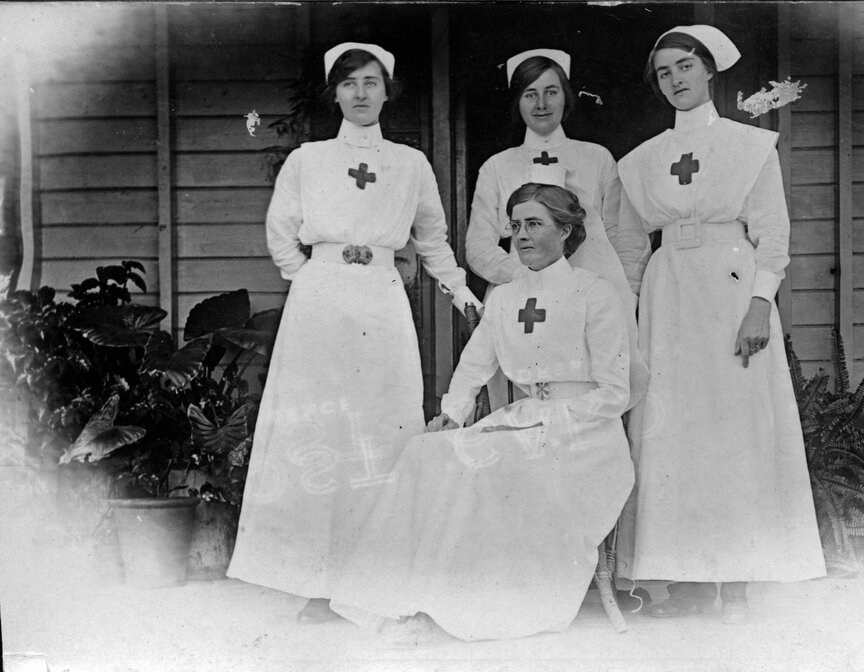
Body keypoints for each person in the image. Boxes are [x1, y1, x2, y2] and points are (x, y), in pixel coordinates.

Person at [227, 42, 481, 624]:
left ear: (388, 91)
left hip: (382, 306)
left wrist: (463, 294)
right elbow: (281, 236)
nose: (362, 93)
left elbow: (432, 241)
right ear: (334, 93)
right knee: (319, 426)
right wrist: (316, 282)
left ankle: (370, 582)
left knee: (378, 429)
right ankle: (303, 577)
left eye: (372, 82)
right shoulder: (308, 160)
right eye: (350, 84)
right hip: (320, 307)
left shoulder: (410, 164)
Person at [326, 181, 635, 642]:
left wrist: (550, 420)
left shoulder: (594, 294)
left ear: (567, 231)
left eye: (535, 224)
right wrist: (451, 416)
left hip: (584, 441)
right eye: (515, 226)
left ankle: (466, 610)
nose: (522, 236)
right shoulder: (505, 298)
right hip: (525, 426)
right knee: (424, 454)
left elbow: (615, 393)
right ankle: (398, 598)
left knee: (489, 468)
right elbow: (473, 367)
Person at [613, 25, 826, 624]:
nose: (676, 80)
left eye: (685, 66)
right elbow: (629, 252)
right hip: (666, 297)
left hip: (731, 291)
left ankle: (736, 577)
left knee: (732, 431)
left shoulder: (748, 146)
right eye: (664, 72)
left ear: (710, 71)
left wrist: (761, 302)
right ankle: (683, 578)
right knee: (672, 432)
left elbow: (772, 234)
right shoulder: (642, 161)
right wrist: (629, 322)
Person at [466, 49, 647, 412]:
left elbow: (625, 235)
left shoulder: (597, 157)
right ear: (517, 101)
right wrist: (524, 278)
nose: (541, 103)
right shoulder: (497, 167)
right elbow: (478, 246)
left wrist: (626, 295)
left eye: (551, 91)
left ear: (566, 95)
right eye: (529, 93)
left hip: (595, 298)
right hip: (524, 302)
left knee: (601, 398)